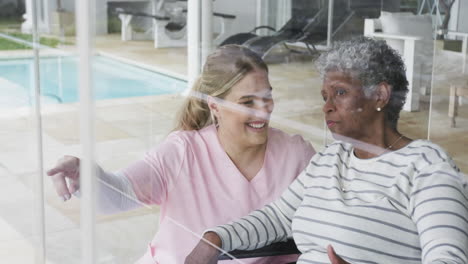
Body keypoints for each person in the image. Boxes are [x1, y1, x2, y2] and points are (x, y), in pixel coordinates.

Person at [186, 37, 468, 264]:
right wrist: (217, 238)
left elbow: (449, 259)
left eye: (340, 93)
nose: (327, 106)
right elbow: (277, 217)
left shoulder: (426, 166)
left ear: (380, 95)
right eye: (325, 97)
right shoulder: (330, 158)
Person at [46, 44, 315, 264]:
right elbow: (119, 196)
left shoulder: (296, 154)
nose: (263, 110)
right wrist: (88, 176)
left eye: (267, 97)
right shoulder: (183, 151)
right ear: (215, 106)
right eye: (247, 102)